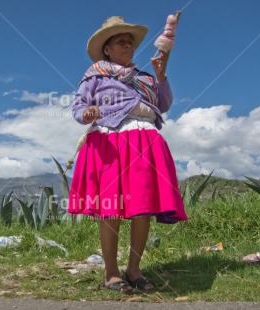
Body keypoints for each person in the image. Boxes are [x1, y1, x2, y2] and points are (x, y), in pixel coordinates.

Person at [68, 16, 187, 293]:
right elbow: (79, 105)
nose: (128, 47)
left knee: (141, 206)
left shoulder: (144, 78)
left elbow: (164, 104)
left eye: (130, 43)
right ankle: (110, 272)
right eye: (121, 42)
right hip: (110, 140)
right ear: (107, 49)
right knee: (110, 206)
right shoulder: (95, 76)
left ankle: (134, 270)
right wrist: (87, 113)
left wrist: (161, 77)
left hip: (145, 137)